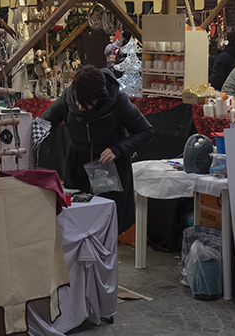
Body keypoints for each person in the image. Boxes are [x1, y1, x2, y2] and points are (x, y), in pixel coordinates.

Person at [41, 65, 153, 233]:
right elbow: (45, 123)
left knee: (108, 225)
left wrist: (118, 149)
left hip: (111, 171)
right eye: (77, 101)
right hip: (77, 168)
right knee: (77, 223)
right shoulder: (68, 97)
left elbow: (146, 131)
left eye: (86, 104)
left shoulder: (118, 100)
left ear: (100, 98)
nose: (79, 107)